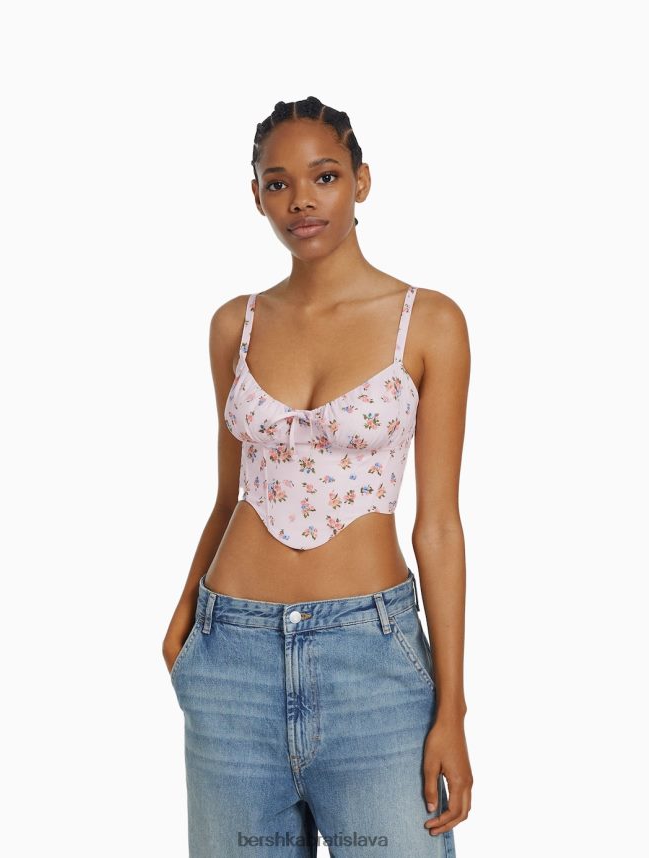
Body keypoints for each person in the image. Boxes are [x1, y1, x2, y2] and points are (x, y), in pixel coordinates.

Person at [163, 95, 473, 857]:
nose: (300, 199)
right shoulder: (235, 324)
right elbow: (228, 495)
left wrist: (452, 709)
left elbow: (437, 525)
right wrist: (182, 627)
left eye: (324, 176)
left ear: (361, 181)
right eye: (278, 183)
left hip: (371, 662)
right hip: (229, 659)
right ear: (257, 196)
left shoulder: (428, 321)